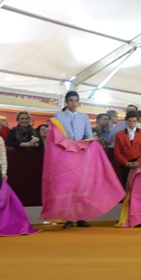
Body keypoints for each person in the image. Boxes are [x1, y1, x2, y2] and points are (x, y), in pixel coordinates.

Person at [53, 90, 95, 229]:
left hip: (81, 155)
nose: (73, 103)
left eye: (75, 100)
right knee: (68, 188)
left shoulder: (84, 117)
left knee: (82, 187)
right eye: (71, 100)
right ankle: (69, 218)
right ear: (66, 102)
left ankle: (82, 217)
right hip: (65, 155)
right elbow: (56, 136)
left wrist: (84, 144)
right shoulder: (58, 116)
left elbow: (88, 135)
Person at [113, 110, 141, 188]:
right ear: (126, 121)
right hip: (126, 164)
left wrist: (139, 161)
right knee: (126, 184)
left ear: (137, 121)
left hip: (139, 162)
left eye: (134, 121)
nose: (132, 124)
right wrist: (126, 163)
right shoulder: (119, 134)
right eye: (129, 121)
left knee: (139, 186)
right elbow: (117, 152)